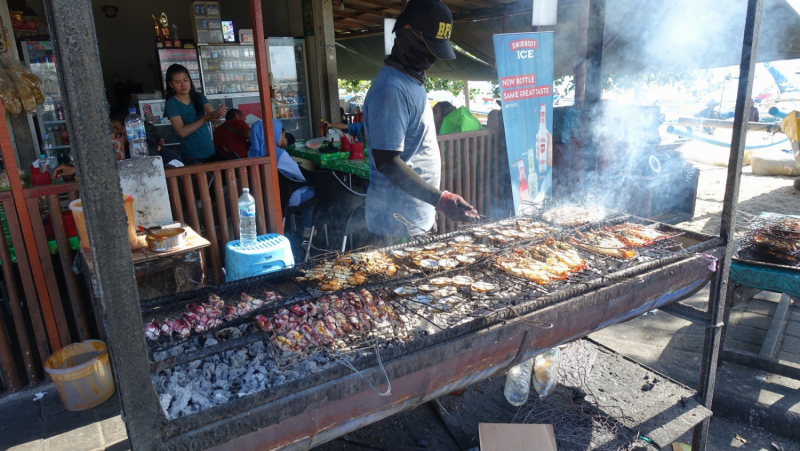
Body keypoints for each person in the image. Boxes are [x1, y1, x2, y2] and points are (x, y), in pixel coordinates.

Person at [363, 0, 478, 243]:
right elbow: (388, 162)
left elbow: (416, 154)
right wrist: (439, 199)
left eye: (436, 52)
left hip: (416, 219)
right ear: (405, 31)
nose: (430, 59)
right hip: (394, 227)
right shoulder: (391, 90)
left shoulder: (411, 81)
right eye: (426, 48)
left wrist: (431, 207)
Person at [249, 119, 316, 238]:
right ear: (271, 133)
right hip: (285, 198)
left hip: (263, 198)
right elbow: (301, 175)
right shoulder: (278, 154)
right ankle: (308, 228)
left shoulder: (252, 152)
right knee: (313, 189)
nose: (282, 136)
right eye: (280, 133)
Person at [54, 121, 182, 179]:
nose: (117, 138)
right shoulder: (125, 154)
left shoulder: (168, 161)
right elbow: (111, 168)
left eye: (122, 135)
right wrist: (76, 169)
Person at [164, 64, 227, 164]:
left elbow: (213, 116)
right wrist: (204, 119)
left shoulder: (198, 97)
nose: (183, 85)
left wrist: (218, 113)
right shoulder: (171, 104)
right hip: (192, 156)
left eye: (185, 80)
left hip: (210, 151)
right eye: (177, 82)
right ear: (171, 84)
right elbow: (182, 132)